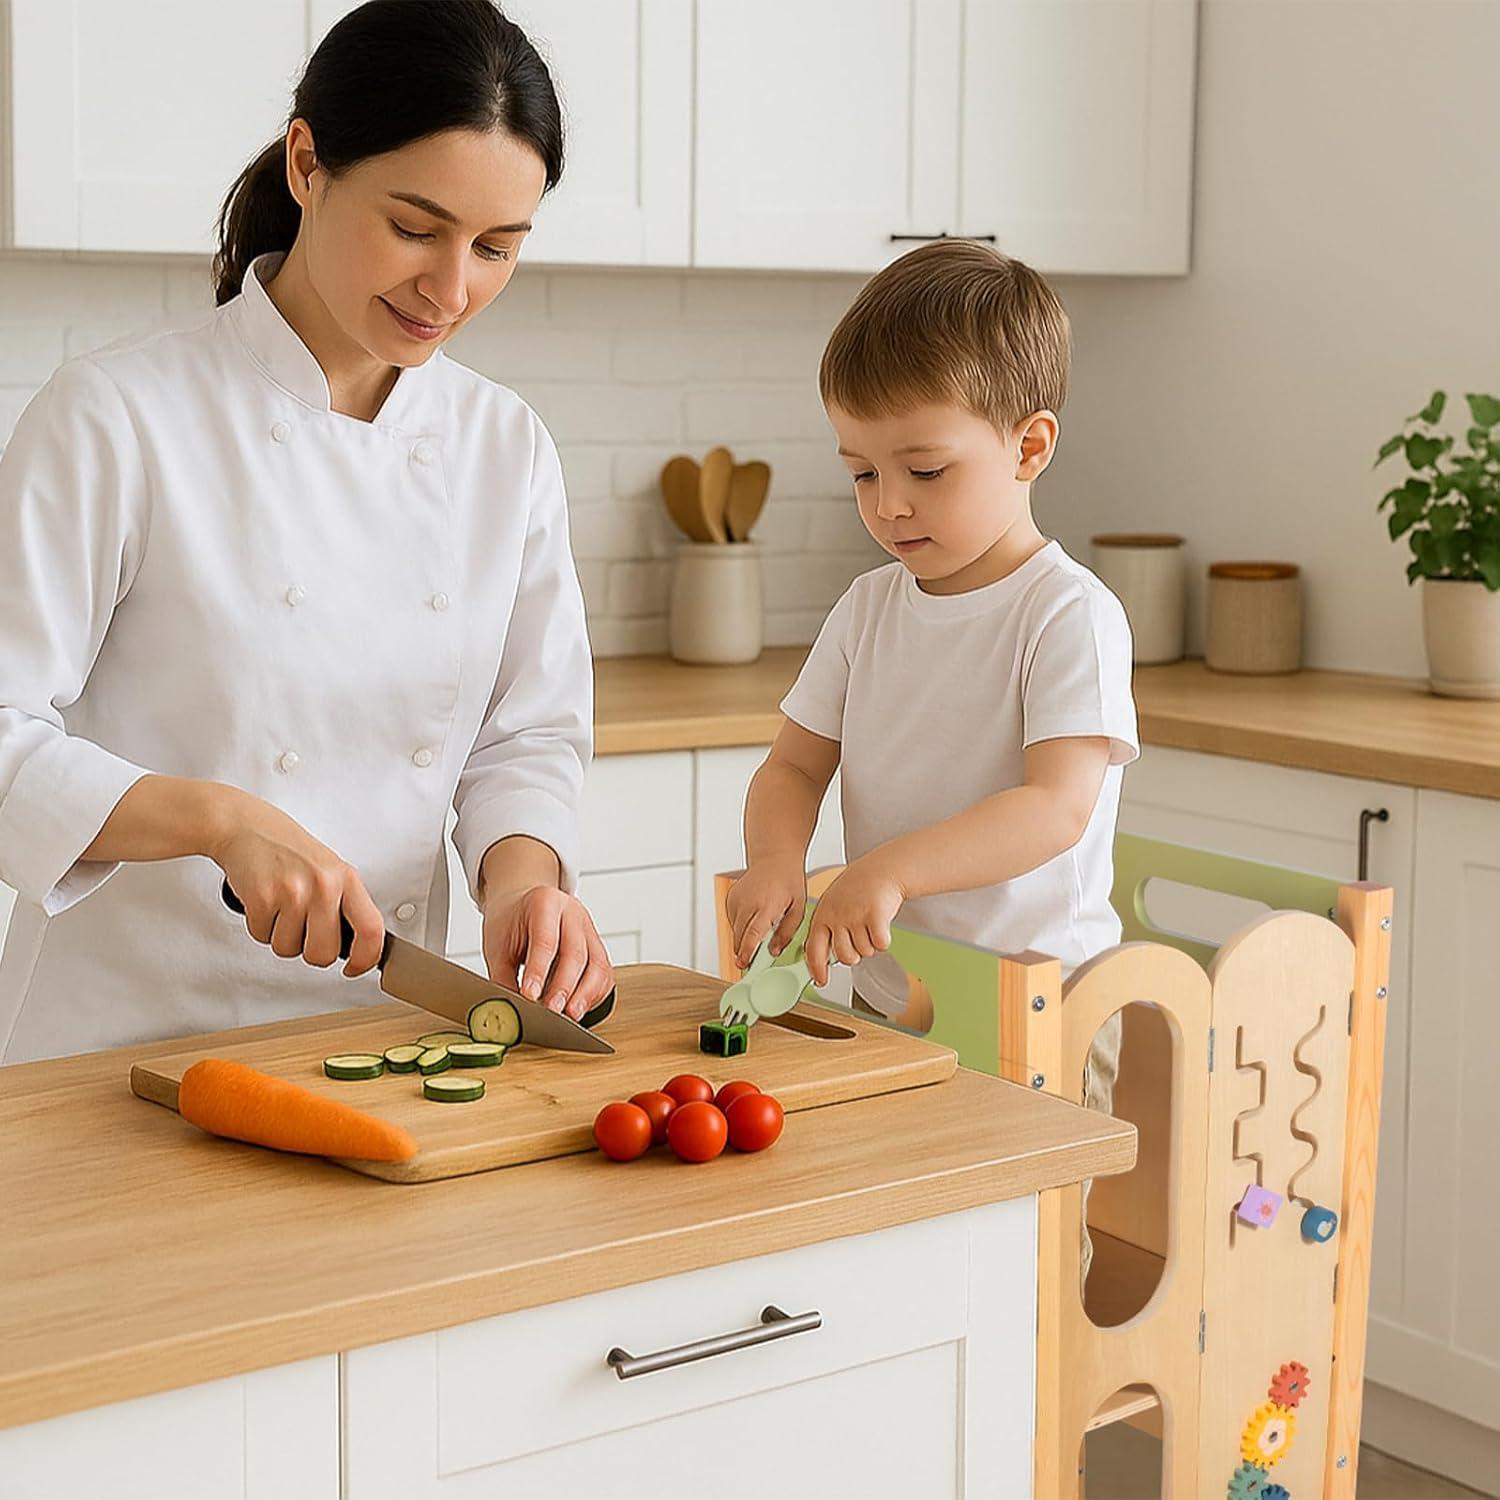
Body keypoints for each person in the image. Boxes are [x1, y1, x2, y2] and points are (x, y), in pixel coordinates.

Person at [0, 0, 613, 1064]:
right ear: (306, 164)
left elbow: (526, 733)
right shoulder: (119, 415)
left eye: (498, 248)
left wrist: (522, 878)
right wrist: (216, 818)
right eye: (415, 228)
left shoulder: (503, 445)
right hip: (114, 1051)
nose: (451, 288)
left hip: (372, 1045)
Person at [726, 238, 1139, 1277]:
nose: (888, 503)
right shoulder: (869, 608)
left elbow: (1056, 808)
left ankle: (1039, 1448)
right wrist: (779, 860)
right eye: (862, 471)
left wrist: (891, 870)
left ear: (1029, 447)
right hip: (897, 994)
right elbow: (790, 768)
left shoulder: (1067, 615)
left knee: (1024, 1266)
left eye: (924, 469)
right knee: (913, 1256)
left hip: (1035, 1004)